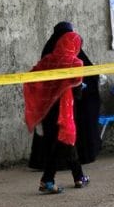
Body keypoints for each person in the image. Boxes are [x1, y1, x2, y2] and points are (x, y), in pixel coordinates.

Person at [28, 22, 101, 169]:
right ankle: (74, 166)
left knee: (57, 132)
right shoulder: (72, 53)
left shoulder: (49, 51)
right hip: (66, 103)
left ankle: (54, 167)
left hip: (51, 101)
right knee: (66, 131)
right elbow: (87, 77)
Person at [24, 31, 88, 194]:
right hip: (63, 110)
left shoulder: (47, 60)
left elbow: (32, 76)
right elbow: (78, 93)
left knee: (62, 142)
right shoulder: (75, 63)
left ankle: (78, 177)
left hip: (46, 109)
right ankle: (48, 180)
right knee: (64, 141)